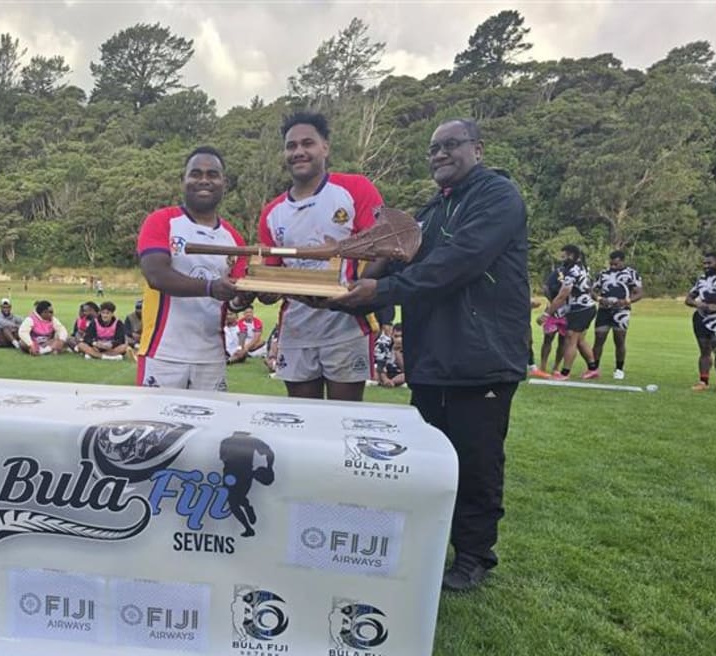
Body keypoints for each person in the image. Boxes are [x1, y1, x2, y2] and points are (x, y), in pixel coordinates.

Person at [332, 118, 529, 592]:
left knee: (476, 461)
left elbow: (456, 263)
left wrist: (379, 290)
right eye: (433, 148)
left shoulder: (497, 197)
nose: (439, 154)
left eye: (450, 145)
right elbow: (395, 260)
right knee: (428, 462)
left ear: (478, 149)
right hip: (430, 359)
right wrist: (335, 293)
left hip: (481, 358)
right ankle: (430, 546)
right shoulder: (431, 211)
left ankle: (474, 556)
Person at [257, 112, 382, 401]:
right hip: (297, 330)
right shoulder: (272, 212)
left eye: (307, 143)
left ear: (325, 147)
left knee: (345, 417)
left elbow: (383, 245)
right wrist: (259, 291)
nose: (298, 151)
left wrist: (354, 292)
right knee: (303, 418)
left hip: (345, 327)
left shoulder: (355, 188)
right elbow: (273, 275)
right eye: (291, 146)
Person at [135, 146, 246, 390]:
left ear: (224, 183)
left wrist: (249, 295)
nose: (204, 180)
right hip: (163, 354)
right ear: (183, 180)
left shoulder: (234, 239)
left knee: (211, 417)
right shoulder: (162, 221)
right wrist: (210, 287)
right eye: (196, 174)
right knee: (155, 417)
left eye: (212, 174)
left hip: (212, 357)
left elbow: (236, 299)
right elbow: (156, 275)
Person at [540, 245, 598, 380]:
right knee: (580, 340)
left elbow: (562, 295)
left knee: (570, 339)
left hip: (580, 308)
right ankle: (593, 369)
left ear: (571, 255)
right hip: (587, 307)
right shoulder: (583, 267)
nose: (562, 259)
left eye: (564, 256)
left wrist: (547, 314)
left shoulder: (573, 271)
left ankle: (564, 373)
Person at [685, 251, 716, 394]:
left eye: (709, 263)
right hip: (701, 318)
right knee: (704, 350)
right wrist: (698, 304)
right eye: (704, 263)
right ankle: (703, 381)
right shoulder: (702, 279)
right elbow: (689, 299)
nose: (705, 266)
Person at [591, 251, 644, 380]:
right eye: (611, 263)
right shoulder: (603, 274)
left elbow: (639, 293)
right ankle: (594, 368)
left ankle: (619, 369)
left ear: (622, 261)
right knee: (599, 338)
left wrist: (626, 301)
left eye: (616, 263)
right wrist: (599, 299)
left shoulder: (631, 273)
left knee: (619, 339)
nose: (613, 266)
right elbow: (591, 290)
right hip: (604, 310)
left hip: (621, 311)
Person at [530, 264, 568, 378]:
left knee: (563, 340)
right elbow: (546, 287)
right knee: (548, 338)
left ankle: (556, 368)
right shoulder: (558, 271)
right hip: (552, 311)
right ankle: (543, 367)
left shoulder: (578, 272)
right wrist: (553, 302)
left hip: (568, 312)